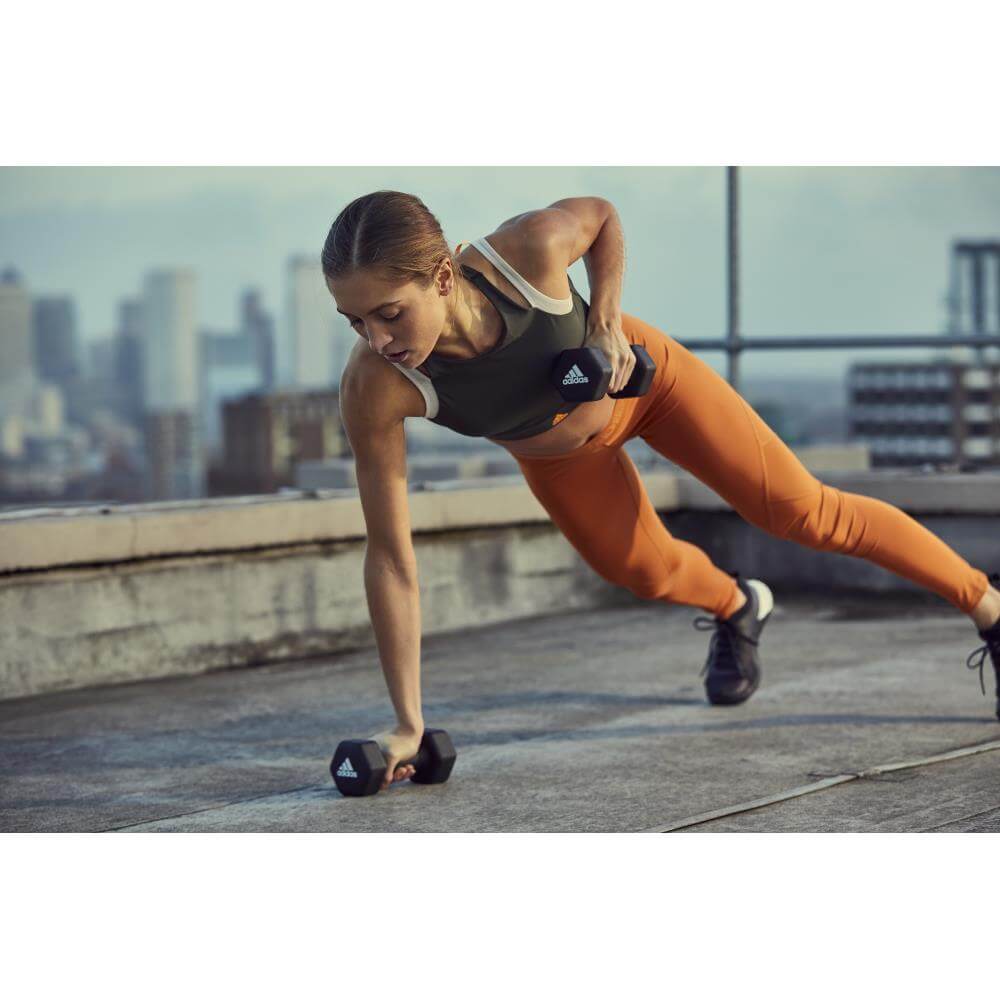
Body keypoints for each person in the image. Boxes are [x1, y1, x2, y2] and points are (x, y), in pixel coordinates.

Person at [322, 189, 1000, 790]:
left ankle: (987, 603)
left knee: (804, 514)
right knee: (641, 573)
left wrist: (605, 321)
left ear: (442, 276)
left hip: (653, 388)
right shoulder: (376, 388)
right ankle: (740, 606)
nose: (377, 340)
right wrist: (408, 723)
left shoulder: (524, 253)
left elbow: (603, 217)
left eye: (389, 314)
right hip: (559, 458)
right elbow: (390, 558)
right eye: (356, 323)